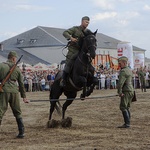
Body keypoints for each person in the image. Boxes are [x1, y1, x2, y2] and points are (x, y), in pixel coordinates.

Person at [0, 51, 29, 138]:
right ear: (13, 58)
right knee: (17, 112)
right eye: (15, 58)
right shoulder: (17, 69)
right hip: (14, 92)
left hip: (3, 91)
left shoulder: (1, 66)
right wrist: (24, 97)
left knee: (0, 112)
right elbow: (21, 84)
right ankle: (21, 132)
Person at [61, 16, 91, 86]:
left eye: (88, 23)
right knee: (69, 62)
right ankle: (63, 79)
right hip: (73, 50)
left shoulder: (88, 31)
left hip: (82, 51)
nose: (87, 24)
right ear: (82, 21)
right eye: (86, 22)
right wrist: (71, 38)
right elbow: (65, 32)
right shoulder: (75, 29)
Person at [117, 56, 134, 128]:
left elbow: (120, 83)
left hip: (126, 91)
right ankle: (128, 122)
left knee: (123, 107)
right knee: (127, 107)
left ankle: (127, 123)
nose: (119, 65)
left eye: (120, 63)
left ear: (124, 63)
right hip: (131, 90)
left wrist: (119, 92)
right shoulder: (129, 70)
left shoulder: (123, 71)